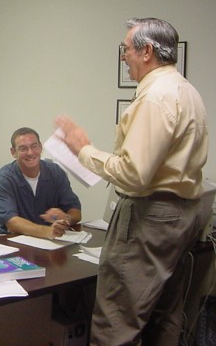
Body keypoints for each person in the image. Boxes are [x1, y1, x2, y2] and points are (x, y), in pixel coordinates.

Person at [56, 18, 208, 346]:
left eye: (126, 49)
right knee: (164, 316)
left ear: (147, 51)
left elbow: (133, 174)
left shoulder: (155, 97)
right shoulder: (187, 90)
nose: (123, 56)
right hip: (182, 216)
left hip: (149, 216)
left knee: (116, 321)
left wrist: (84, 150)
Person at [0, 127, 81, 239]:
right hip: (9, 237)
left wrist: (66, 219)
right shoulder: (3, 179)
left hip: (45, 239)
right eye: (23, 148)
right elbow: (12, 222)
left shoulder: (55, 173)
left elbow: (76, 212)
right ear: (13, 152)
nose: (30, 153)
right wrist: (47, 231)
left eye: (34, 146)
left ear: (41, 147)